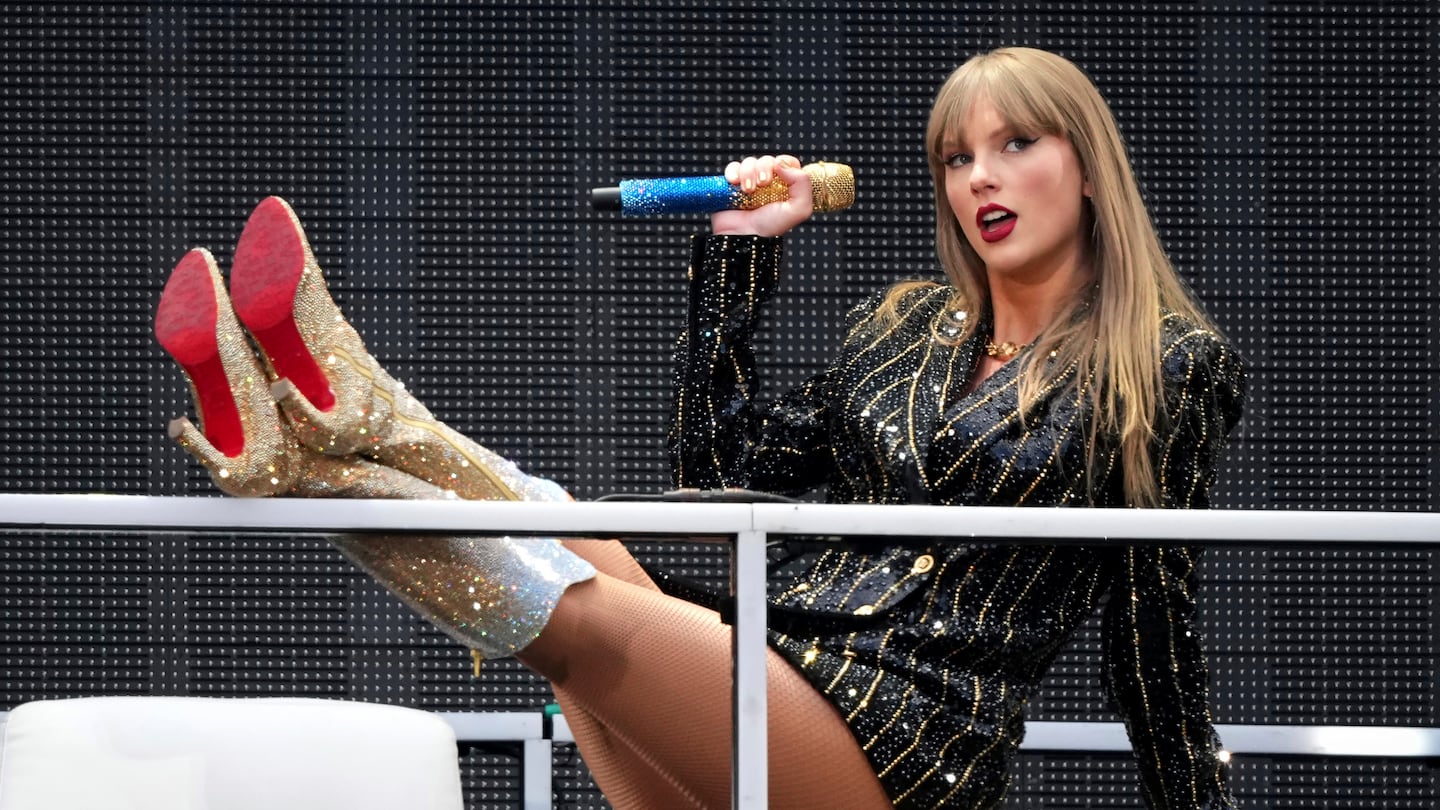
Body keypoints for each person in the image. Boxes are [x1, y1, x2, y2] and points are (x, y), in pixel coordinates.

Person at [154, 47, 1243, 809]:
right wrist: (740, 250)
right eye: (957, 157)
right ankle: (316, 436)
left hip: (907, 735)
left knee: (568, 619)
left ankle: (331, 440)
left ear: (1089, 166)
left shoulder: (1165, 369)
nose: (981, 178)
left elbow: (1154, 636)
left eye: (1015, 144)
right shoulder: (904, 326)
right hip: (781, 655)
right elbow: (720, 469)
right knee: (573, 529)